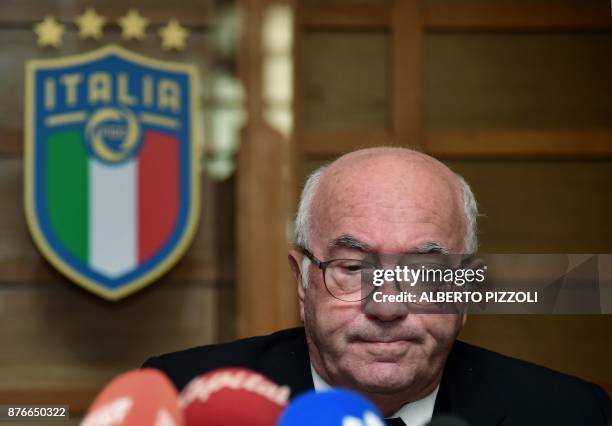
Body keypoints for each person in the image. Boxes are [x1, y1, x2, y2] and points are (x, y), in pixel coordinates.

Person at [144, 147, 611, 425]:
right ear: (303, 280)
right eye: (352, 266)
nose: (387, 307)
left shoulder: (569, 413)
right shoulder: (182, 400)